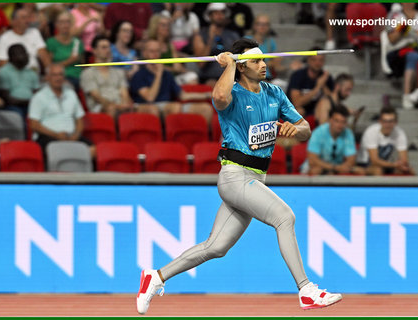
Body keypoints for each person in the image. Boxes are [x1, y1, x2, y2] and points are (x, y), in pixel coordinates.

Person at [135, 38, 342, 315]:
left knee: (216, 247)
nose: (264, 65)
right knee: (285, 217)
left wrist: (296, 131)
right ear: (243, 67)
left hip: (256, 178)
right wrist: (230, 63)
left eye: (264, 60)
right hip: (235, 176)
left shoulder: (274, 93)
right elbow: (218, 98)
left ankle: (156, 277)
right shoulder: (231, 92)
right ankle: (306, 290)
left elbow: (304, 127)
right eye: (256, 61)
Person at [130, 39, 212, 122]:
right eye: (151, 51)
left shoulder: (167, 74)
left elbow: (182, 95)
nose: (155, 54)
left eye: (157, 51)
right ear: (144, 53)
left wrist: (207, 95)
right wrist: (158, 75)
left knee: (205, 108)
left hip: (169, 106)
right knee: (173, 107)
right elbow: (150, 98)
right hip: (148, 107)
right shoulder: (139, 75)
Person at [28, 64, 94, 156]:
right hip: (48, 136)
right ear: (47, 77)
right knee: (55, 151)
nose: (58, 78)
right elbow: (34, 124)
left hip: (71, 136)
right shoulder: (39, 97)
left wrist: (76, 135)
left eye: (60, 75)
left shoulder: (71, 94)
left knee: (92, 150)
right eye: (54, 75)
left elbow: (79, 119)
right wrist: (56, 135)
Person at [381, 3, 418, 110]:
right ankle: (407, 95)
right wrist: (404, 26)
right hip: (397, 53)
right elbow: (392, 39)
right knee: (413, 56)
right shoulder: (394, 15)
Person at [80, 35, 133, 118]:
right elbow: (96, 97)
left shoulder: (119, 72)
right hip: (99, 107)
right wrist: (116, 106)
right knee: (111, 109)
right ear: (94, 51)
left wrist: (126, 104)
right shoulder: (87, 73)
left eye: (109, 47)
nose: (108, 50)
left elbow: (124, 93)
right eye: (104, 47)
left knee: (144, 108)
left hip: (120, 105)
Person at [303, 106, 364, 175]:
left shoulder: (348, 133)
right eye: (337, 121)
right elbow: (312, 160)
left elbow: (351, 160)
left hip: (338, 167)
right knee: (316, 170)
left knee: (359, 171)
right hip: (320, 166)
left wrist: (344, 167)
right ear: (330, 120)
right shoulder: (318, 132)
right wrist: (334, 167)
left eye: (343, 122)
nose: (340, 125)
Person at [357, 106, 414, 175]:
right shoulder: (371, 132)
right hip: (365, 163)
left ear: (396, 122)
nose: (387, 125)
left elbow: (404, 159)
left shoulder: (400, 133)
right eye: (385, 121)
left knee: (409, 171)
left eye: (390, 121)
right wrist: (394, 165)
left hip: (385, 164)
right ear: (380, 121)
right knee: (378, 170)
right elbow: (374, 160)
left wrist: (403, 165)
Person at [193, 2, 240, 85]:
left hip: (231, 77)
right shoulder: (200, 35)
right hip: (209, 78)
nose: (220, 16)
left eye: (222, 13)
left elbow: (239, 59)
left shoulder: (233, 35)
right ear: (209, 16)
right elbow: (201, 64)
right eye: (216, 13)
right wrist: (210, 39)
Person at [145, 13, 199, 85]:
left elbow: (177, 67)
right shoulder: (150, 44)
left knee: (192, 76)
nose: (167, 28)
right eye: (163, 25)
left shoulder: (170, 45)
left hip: (172, 77)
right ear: (155, 27)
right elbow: (152, 67)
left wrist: (187, 72)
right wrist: (173, 69)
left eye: (168, 25)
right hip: (155, 78)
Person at [0, 8, 50, 72]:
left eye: (28, 17)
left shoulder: (34, 32)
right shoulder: (4, 38)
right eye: (23, 18)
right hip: (16, 75)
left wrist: (49, 71)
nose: (27, 20)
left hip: (34, 74)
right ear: (14, 21)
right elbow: (3, 63)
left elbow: (43, 55)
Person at [287, 46, 334, 117]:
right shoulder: (298, 75)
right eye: (314, 60)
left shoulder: (326, 77)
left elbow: (333, 101)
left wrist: (323, 85)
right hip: (298, 111)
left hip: (317, 112)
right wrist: (317, 88)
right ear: (308, 60)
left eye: (321, 60)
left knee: (325, 105)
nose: (317, 63)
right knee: (299, 111)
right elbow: (296, 103)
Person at [0, 44, 40, 120]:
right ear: (12, 57)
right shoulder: (3, 72)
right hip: (12, 107)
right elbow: (6, 98)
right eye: (22, 53)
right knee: (18, 116)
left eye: (26, 53)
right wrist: (29, 102)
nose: (26, 56)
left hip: (31, 106)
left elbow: (37, 93)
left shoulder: (31, 73)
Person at [46, 11, 84, 91]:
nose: (65, 25)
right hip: (59, 78)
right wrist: (69, 61)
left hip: (77, 77)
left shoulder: (77, 42)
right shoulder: (51, 42)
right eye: (61, 22)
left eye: (67, 22)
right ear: (56, 24)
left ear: (71, 24)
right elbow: (49, 66)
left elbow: (83, 64)